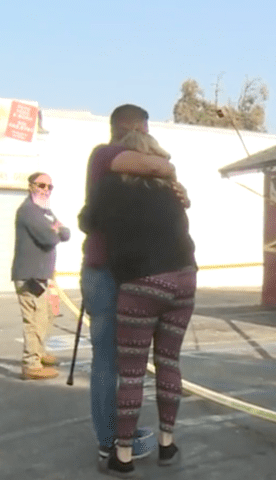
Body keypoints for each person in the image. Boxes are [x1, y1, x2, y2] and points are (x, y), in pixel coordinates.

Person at [79, 104, 188, 467]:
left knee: (122, 365)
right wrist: (170, 173)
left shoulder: (115, 179)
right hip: (113, 274)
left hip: (127, 274)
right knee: (119, 363)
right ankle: (116, 442)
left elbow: (86, 219)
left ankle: (118, 446)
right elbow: (160, 165)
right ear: (134, 130)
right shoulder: (105, 155)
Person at [12, 172, 70, 381]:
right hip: (30, 276)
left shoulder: (45, 212)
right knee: (34, 320)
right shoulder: (28, 211)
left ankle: (39, 351)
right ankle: (31, 363)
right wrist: (54, 231)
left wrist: (56, 230)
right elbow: (48, 238)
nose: (45, 190)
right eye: (41, 185)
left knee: (47, 315)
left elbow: (66, 233)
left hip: (44, 275)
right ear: (30, 186)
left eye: (49, 187)